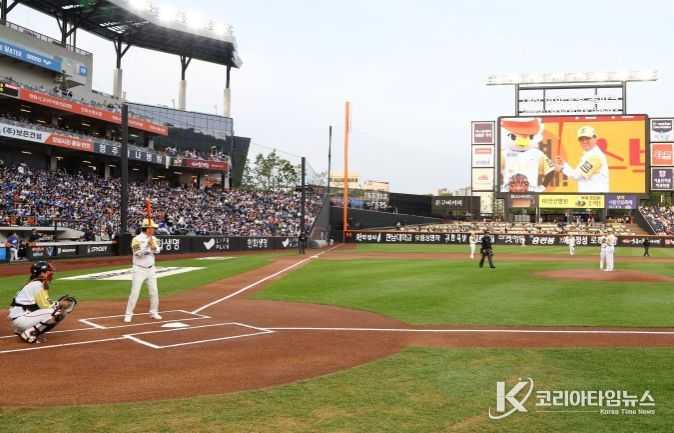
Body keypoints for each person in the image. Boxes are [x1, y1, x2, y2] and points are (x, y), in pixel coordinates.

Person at [7, 261, 77, 344]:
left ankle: (23, 330)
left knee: (56, 311)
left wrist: (58, 303)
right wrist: (60, 304)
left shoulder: (34, 283)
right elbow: (45, 306)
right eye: (49, 271)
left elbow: (40, 305)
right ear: (42, 273)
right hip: (22, 319)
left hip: (21, 318)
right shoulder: (37, 285)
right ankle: (30, 333)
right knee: (58, 313)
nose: (51, 273)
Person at [124, 218, 162, 323]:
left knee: (154, 292)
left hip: (151, 269)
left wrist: (153, 246)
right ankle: (128, 314)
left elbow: (157, 251)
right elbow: (137, 253)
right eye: (152, 228)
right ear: (147, 228)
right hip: (139, 269)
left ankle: (154, 312)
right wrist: (146, 246)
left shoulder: (154, 238)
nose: (154, 229)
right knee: (135, 293)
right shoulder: (136, 239)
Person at [555, 126, 609, 193]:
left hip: (596, 197)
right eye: (581, 139)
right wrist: (564, 165)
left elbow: (577, 176)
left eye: (587, 138)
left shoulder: (595, 157)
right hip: (589, 197)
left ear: (595, 138)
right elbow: (576, 173)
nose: (584, 141)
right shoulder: (588, 154)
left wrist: (561, 168)